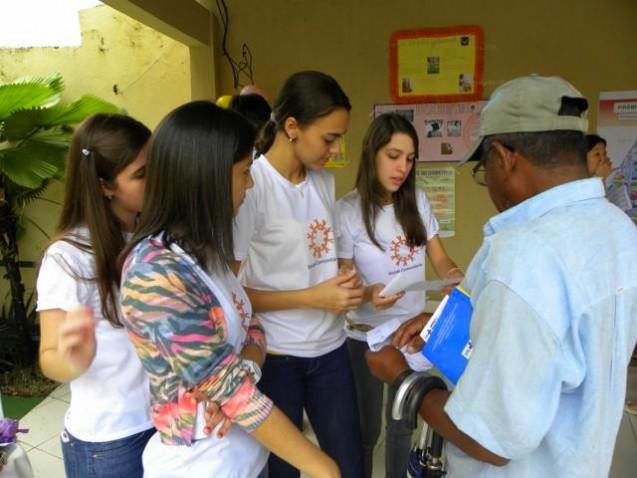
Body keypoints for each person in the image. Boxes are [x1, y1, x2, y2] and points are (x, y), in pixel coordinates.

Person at [366, 75, 637, 477]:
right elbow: (554, 347)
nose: (487, 182)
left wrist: (401, 376)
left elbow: (489, 440)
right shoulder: (619, 230)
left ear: (505, 157)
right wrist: (458, 327)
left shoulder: (524, 256)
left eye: (483, 168)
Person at [119, 101, 339, 478]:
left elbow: (252, 327)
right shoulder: (155, 273)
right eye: (244, 172)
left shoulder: (203, 253)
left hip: (241, 459)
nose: (250, 185)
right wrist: (322, 467)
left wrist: (243, 370)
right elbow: (232, 390)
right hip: (198, 465)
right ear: (208, 178)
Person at [232, 70, 365, 478]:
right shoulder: (251, 187)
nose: (337, 148)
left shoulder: (323, 181)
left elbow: (321, 254)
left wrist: (346, 278)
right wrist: (313, 297)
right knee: (283, 471)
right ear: (291, 127)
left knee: (349, 465)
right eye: (329, 138)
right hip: (277, 357)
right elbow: (231, 297)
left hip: (331, 350)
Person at [334, 113, 463, 478]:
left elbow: (440, 258)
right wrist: (366, 294)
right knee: (365, 429)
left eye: (409, 158)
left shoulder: (417, 202)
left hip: (410, 333)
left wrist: (454, 278)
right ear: (372, 153)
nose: (402, 167)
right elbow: (342, 283)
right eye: (393, 155)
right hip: (363, 336)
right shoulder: (347, 211)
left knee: (403, 422)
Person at [37, 113, 154, 478]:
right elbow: (49, 358)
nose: (156, 180)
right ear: (105, 185)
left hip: (164, 422)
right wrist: (74, 359)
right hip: (110, 442)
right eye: (141, 174)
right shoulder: (68, 256)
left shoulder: (148, 237)